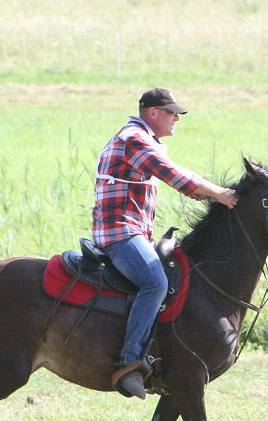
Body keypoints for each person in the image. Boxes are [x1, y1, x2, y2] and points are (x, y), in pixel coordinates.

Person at [94, 88, 238, 399]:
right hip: (120, 234)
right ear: (153, 113)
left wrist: (207, 193)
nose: (176, 118)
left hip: (131, 233)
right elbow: (172, 173)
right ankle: (129, 363)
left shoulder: (142, 139)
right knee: (154, 282)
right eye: (171, 112)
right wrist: (220, 195)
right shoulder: (134, 138)